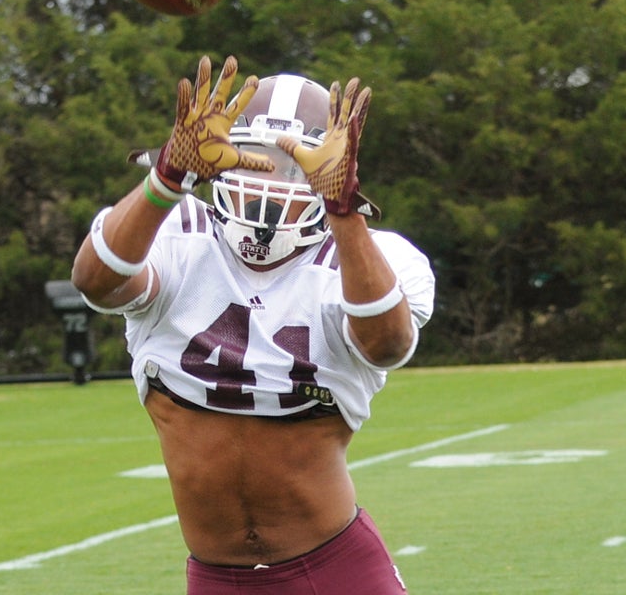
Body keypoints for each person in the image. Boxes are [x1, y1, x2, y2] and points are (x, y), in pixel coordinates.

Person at [71, 55, 435, 594]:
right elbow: (96, 281)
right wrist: (167, 176)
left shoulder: (372, 257)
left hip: (336, 569)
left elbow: (386, 344)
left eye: (293, 164)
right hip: (216, 578)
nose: (270, 180)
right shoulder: (176, 231)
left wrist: (343, 212)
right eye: (253, 158)